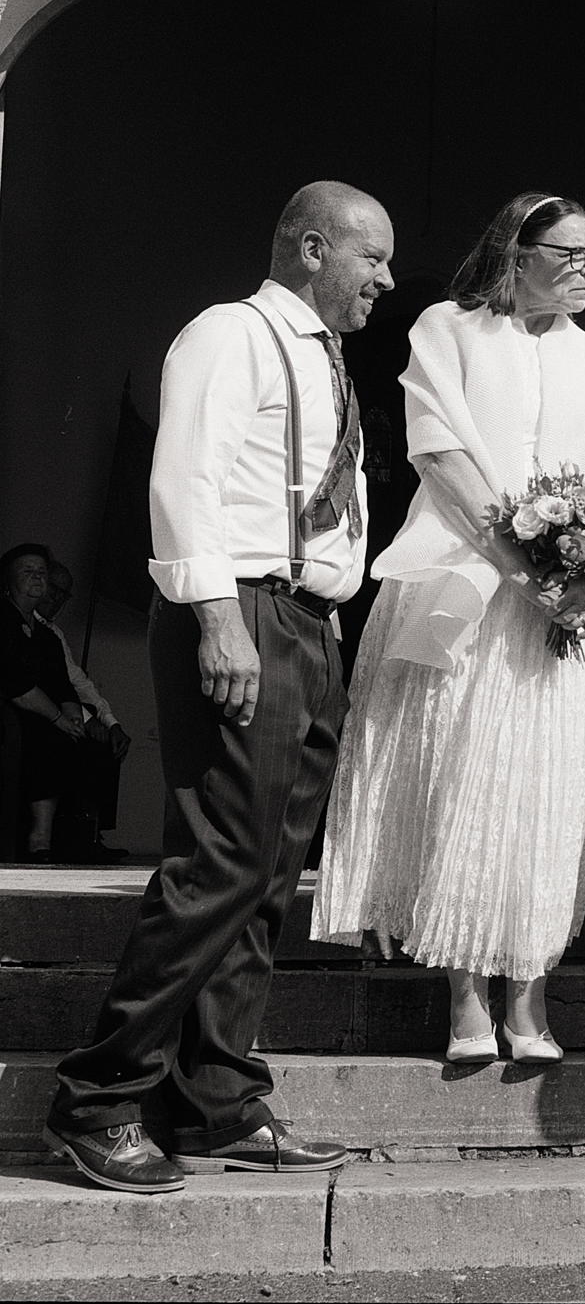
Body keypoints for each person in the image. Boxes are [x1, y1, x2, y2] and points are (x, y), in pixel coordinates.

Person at [46, 181, 392, 1194]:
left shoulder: (329, 362)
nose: (383, 279)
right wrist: (217, 619)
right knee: (221, 862)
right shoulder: (230, 333)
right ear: (313, 246)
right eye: (371, 258)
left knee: (270, 873)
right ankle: (100, 1097)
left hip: (308, 621)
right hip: (240, 607)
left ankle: (215, 1097)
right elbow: (185, 476)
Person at [312, 192, 585, 1067]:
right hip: (467, 589)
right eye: (570, 252)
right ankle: (463, 993)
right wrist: (524, 561)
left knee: (547, 795)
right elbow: (440, 452)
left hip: (566, 611)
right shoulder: (448, 330)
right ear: (516, 251)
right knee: (462, 782)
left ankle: (529, 995)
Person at [1, 544, 93, 860]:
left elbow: (63, 685)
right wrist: (59, 719)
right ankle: (36, 840)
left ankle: (62, 840)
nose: (37, 578)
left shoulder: (48, 636)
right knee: (42, 734)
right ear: (8, 581)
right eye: (28, 571)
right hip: (11, 708)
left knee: (80, 741)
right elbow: (16, 684)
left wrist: (73, 717)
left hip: (40, 711)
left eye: (41, 571)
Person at [36, 558, 132, 862]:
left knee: (111, 743)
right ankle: (66, 840)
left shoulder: (55, 633)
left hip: (65, 711)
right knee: (85, 746)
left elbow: (76, 680)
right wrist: (86, 720)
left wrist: (110, 720)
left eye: (63, 594)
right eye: (52, 588)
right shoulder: (20, 624)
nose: (55, 598)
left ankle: (90, 834)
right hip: (36, 713)